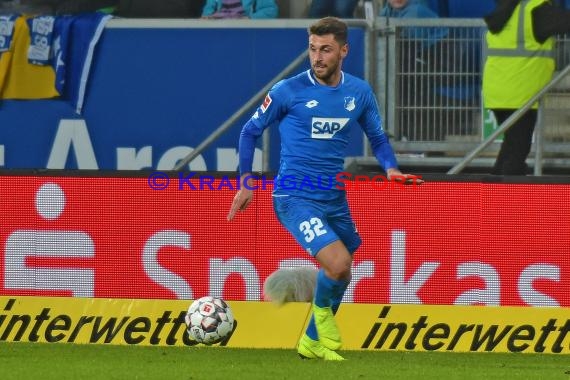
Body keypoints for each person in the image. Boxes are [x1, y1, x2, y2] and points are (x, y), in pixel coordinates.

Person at [227, 17, 422, 361]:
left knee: (344, 267)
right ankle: (321, 325)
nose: (317, 57)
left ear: (343, 50)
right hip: (294, 196)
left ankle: (311, 340)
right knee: (338, 262)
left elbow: (376, 137)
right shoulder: (288, 91)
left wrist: (391, 168)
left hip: (333, 197)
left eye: (326, 50)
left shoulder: (358, 92)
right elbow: (249, 131)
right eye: (313, 49)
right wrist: (246, 182)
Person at [484, 0, 570, 175]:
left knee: (511, 147)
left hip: (497, 90)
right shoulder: (537, 11)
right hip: (520, 93)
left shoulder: (507, 10)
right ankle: (508, 194)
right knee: (517, 151)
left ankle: (494, 190)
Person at [380, 0, 453, 142]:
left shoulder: (416, 10)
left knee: (407, 84)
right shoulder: (386, 11)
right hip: (411, 59)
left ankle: (411, 139)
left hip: (436, 58)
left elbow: (408, 44)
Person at [201, 0, 278, 19]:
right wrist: (207, 17)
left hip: (245, 32)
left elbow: (270, 10)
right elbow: (208, 10)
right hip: (219, 31)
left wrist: (250, 18)